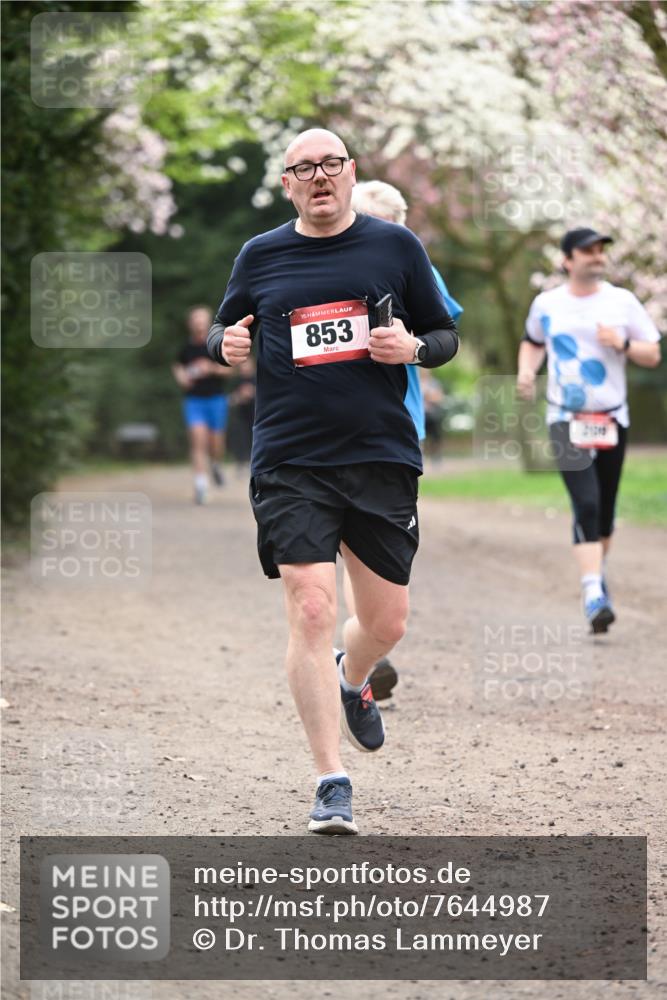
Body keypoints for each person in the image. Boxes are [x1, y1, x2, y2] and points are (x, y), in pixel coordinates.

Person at [208, 128, 459, 834]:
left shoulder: (394, 247)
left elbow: (444, 336)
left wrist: (412, 346)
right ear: (287, 183)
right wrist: (223, 343)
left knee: (386, 620)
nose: (318, 177)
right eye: (303, 169)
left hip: (379, 455)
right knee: (311, 608)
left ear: (350, 175)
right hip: (290, 458)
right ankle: (330, 780)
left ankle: (354, 676)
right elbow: (226, 328)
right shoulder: (260, 254)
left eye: (330, 165)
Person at [348, 180, 463, 700]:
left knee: (379, 542)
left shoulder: (415, 265)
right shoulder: (329, 257)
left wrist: (411, 344)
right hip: (331, 421)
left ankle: (368, 646)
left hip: (397, 422)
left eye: (380, 223)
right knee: (347, 540)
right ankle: (366, 657)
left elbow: (442, 332)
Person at [517, 227, 661, 632]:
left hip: (612, 417)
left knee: (607, 514)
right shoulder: (547, 303)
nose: (597, 256)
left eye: (601, 251)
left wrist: (622, 344)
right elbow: (532, 340)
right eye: (587, 251)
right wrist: (528, 371)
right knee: (588, 503)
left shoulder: (622, 302)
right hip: (566, 418)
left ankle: (596, 572)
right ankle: (593, 589)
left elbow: (652, 352)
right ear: (567, 260)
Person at [173, 306, 233, 504]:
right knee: (198, 441)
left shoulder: (215, 345)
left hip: (216, 399)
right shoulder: (185, 349)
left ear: (208, 322)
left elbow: (230, 370)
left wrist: (212, 368)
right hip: (194, 400)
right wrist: (181, 377)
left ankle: (215, 464)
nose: (199, 323)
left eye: (202, 319)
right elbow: (178, 366)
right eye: (195, 319)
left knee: (216, 444)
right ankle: (201, 486)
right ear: (190, 324)